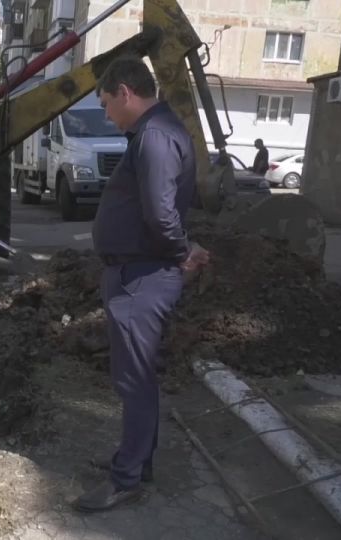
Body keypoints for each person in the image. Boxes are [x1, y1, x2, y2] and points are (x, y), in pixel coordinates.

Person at [74, 57, 211, 513]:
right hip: (138, 273)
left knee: (133, 382)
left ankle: (126, 479)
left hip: (141, 277)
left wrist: (180, 252)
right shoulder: (157, 131)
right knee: (139, 379)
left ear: (127, 92)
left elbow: (159, 212)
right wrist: (181, 250)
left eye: (107, 102)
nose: (107, 113)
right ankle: (135, 461)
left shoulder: (153, 136)